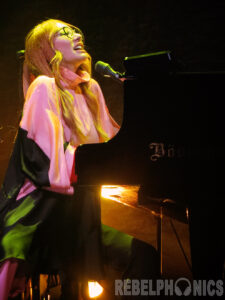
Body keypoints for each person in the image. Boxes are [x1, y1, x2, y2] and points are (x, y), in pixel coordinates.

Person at [0, 19, 159, 300]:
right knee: (80, 265)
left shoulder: (92, 91)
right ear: (46, 49)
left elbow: (114, 151)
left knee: (144, 256)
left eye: (76, 31)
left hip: (77, 221)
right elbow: (49, 165)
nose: (76, 35)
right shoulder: (43, 87)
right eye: (64, 32)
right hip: (40, 222)